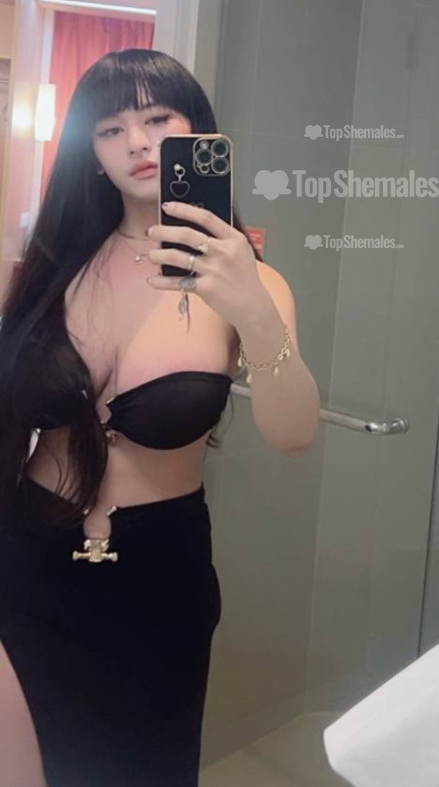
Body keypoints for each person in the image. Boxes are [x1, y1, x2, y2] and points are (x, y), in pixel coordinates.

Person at [0, 48, 321, 787]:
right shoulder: (51, 269)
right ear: (92, 153)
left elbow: (294, 433)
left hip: (158, 578)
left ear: (195, 131)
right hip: (26, 556)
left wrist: (252, 310)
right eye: (111, 129)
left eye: (156, 119)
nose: (138, 143)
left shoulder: (253, 282)